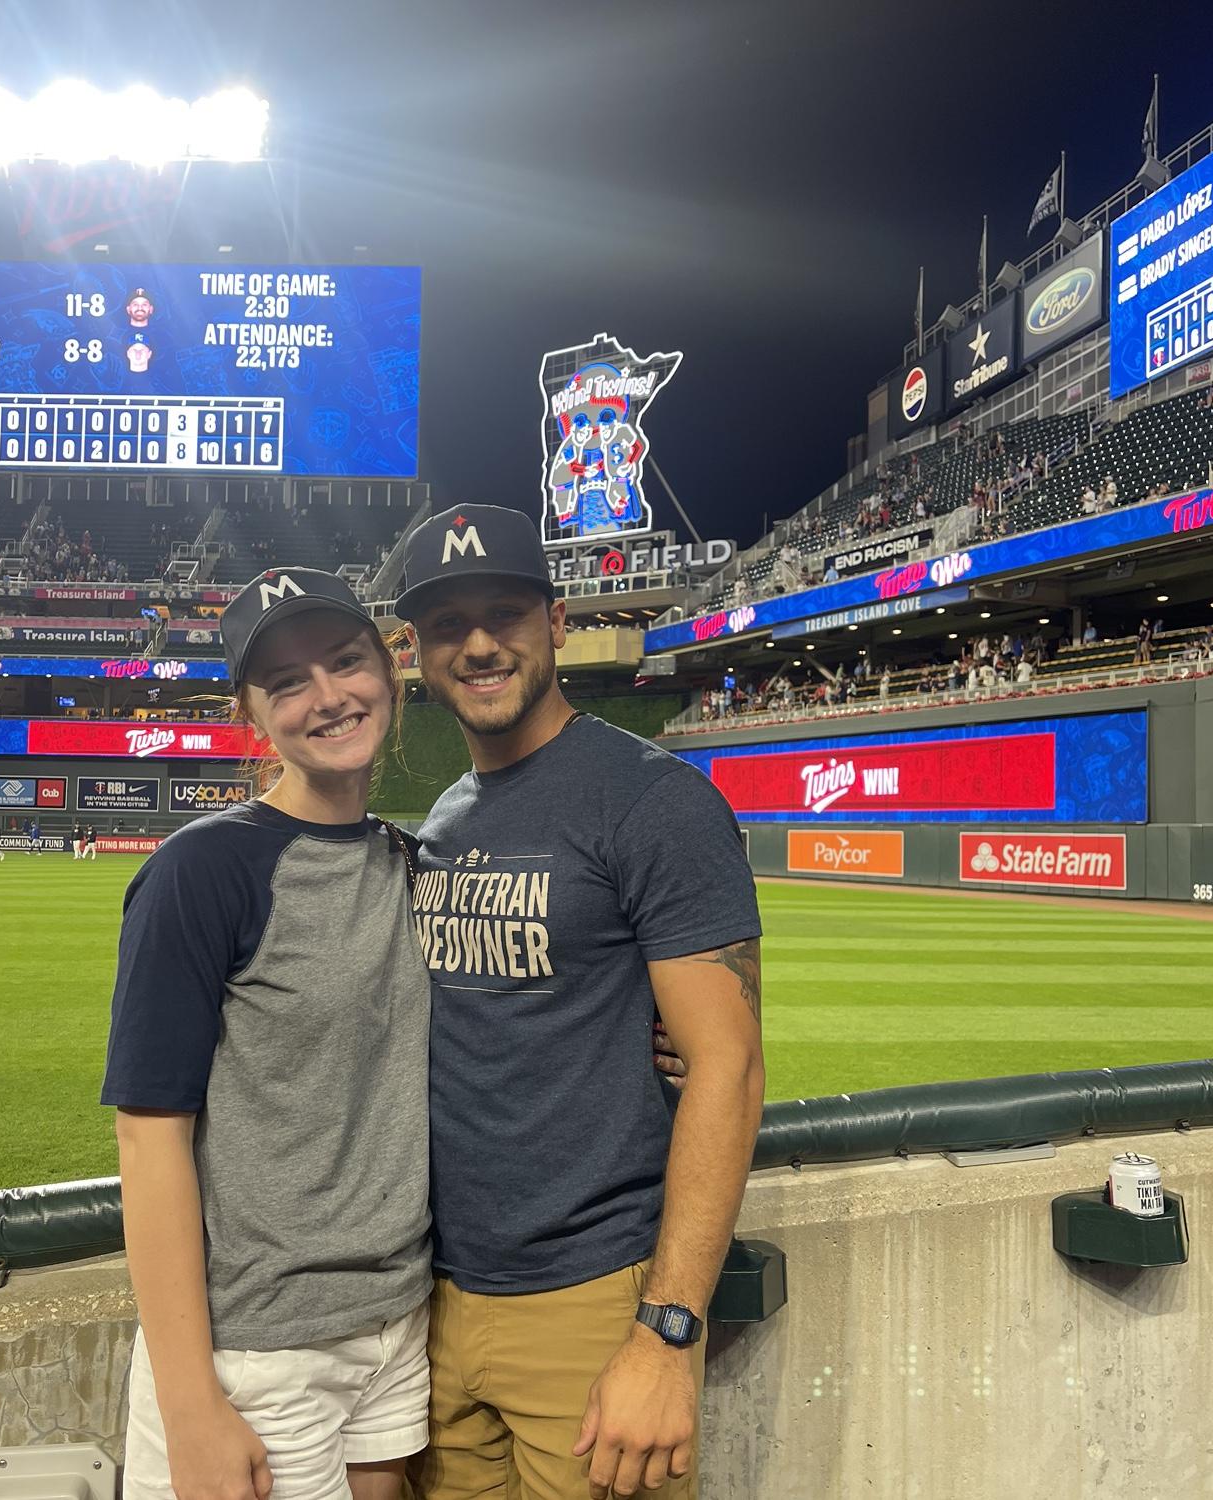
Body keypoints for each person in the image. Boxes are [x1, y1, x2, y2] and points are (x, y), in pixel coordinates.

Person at [395, 505, 764, 1500]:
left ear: (556, 622)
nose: (477, 643)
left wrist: (668, 1327)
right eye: (447, 625)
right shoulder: (445, 816)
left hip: (591, 1308)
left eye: (504, 612)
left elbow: (726, 1064)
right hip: (436, 1305)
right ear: (417, 651)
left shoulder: (652, 798)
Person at [103, 566, 433, 1500]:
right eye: (288, 683)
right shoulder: (200, 871)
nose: (328, 697)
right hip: (256, 1355)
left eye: (344, 662)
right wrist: (190, 1404)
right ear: (254, 714)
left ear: (388, 672)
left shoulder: (410, 862)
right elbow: (147, 1133)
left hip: (398, 1322)